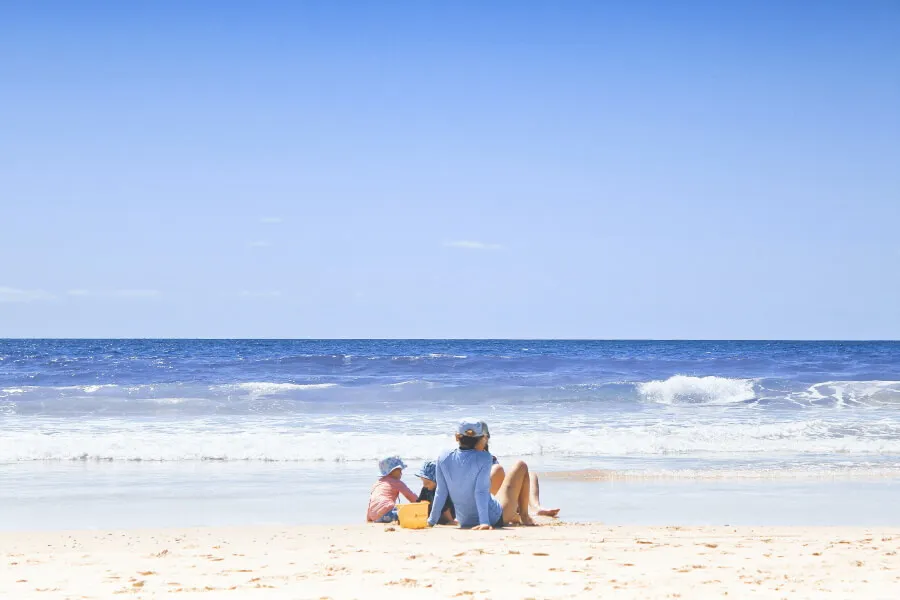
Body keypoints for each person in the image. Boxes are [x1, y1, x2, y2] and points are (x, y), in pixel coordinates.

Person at [427, 420, 536, 529]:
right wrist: (485, 522)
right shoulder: (484, 457)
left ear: (456, 437)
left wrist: (431, 521)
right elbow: (481, 491)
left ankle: (515, 515)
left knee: (494, 483)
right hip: (494, 518)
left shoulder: (443, 457)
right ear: (481, 438)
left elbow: (441, 492)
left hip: (464, 520)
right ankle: (525, 516)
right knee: (521, 466)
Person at [482, 421, 560, 518]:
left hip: (495, 496)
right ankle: (523, 511)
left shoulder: (488, 458)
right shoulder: (481, 459)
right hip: (488, 500)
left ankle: (536, 507)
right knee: (503, 470)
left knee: (530, 475)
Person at [366, 455, 418, 523]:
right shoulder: (396, 482)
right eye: (399, 470)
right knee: (409, 514)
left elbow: (371, 501)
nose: (401, 473)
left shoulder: (378, 483)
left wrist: (369, 518)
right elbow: (411, 496)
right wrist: (421, 504)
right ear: (392, 471)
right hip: (387, 513)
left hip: (374, 516)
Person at [415, 461, 456, 525]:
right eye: (423, 482)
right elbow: (419, 503)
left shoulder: (443, 491)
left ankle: (450, 520)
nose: (425, 485)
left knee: (440, 501)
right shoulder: (425, 489)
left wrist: (451, 520)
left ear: (437, 480)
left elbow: (446, 508)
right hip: (433, 516)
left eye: (427, 483)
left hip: (447, 516)